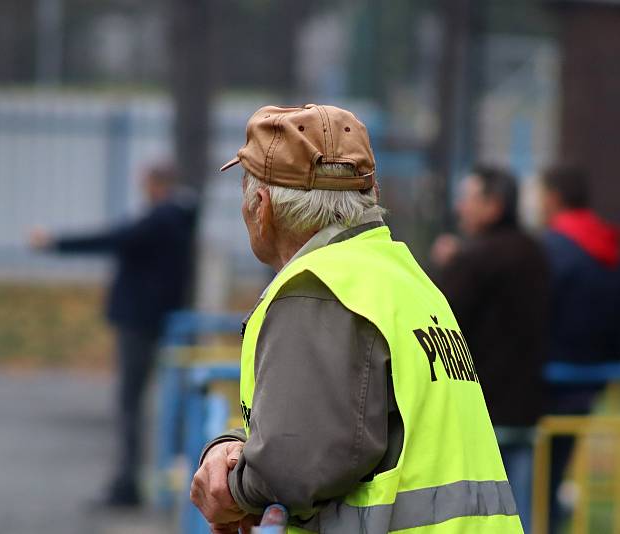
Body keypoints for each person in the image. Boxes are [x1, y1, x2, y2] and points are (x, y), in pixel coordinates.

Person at [190, 104, 523, 533]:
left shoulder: (316, 291)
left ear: (262, 206)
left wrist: (230, 488)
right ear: (372, 194)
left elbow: (293, 464)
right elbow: (341, 423)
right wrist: (238, 448)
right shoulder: (404, 278)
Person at [29, 163, 197, 507]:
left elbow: (111, 239)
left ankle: (128, 484)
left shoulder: (159, 220)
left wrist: (54, 242)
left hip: (140, 322)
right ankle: (154, 478)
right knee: (158, 401)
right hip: (157, 320)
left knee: (131, 404)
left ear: (156, 184)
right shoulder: (176, 218)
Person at [430, 165, 550, 532]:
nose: (460, 208)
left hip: (479, 412)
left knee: (474, 518)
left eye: (468, 198)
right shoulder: (536, 253)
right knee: (519, 514)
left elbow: (439, 317)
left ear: (493, 205)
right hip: (525, 408)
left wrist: (450, 265)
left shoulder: (475, 260)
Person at [539, 164, 620, 532]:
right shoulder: (612, 245)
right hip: (589, 380)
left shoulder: (552, 248)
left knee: (530, 479)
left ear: (554, 196)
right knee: (556, 471)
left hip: (547, 378)